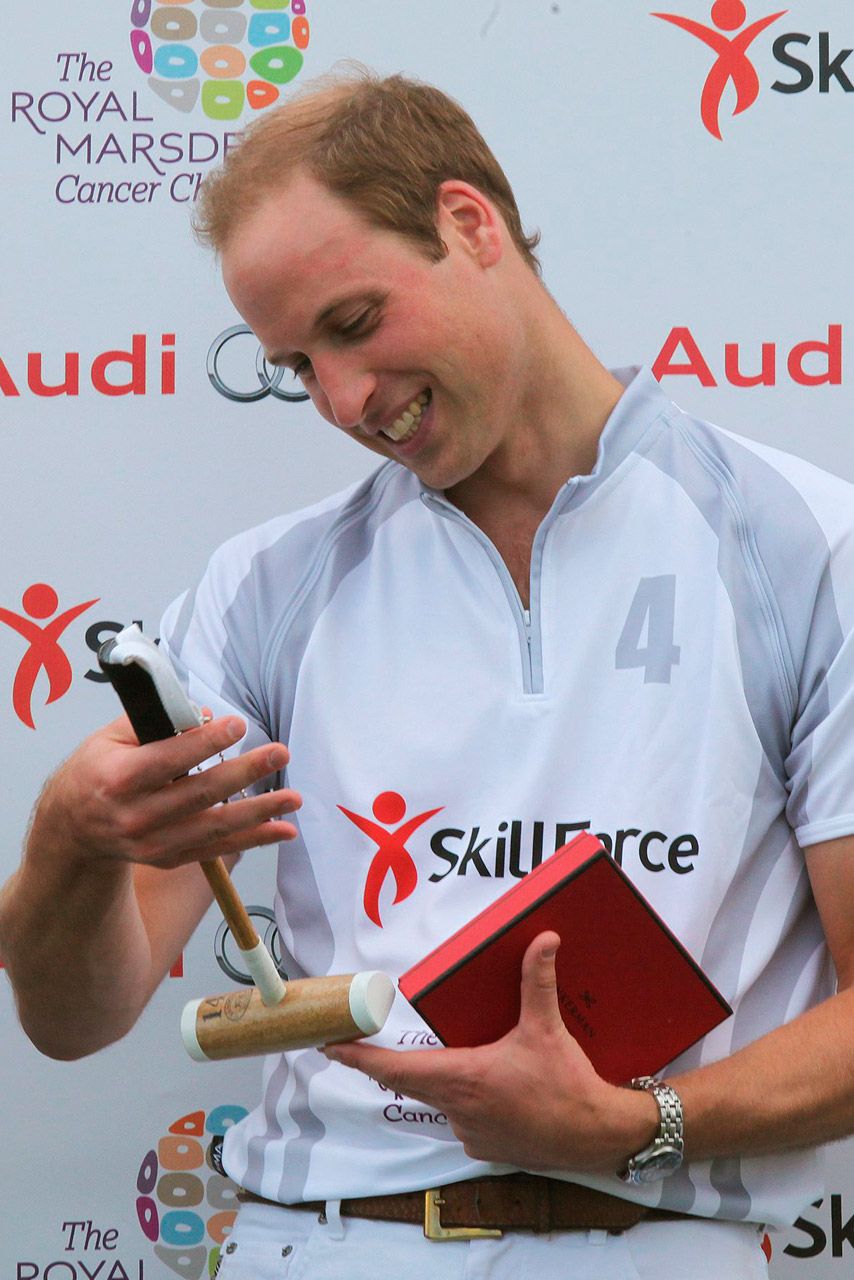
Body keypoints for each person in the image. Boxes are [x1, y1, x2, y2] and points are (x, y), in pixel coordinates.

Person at [2, 68, 854, 1280]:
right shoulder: (263, 586)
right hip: (322, 1244)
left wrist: (636, 1125)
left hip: (658, 1240)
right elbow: (77, 1017)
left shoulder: (805, 548)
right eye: (296, 366)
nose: (344, 400)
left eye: (353, 325)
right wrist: (68, 841)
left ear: (469, 224)